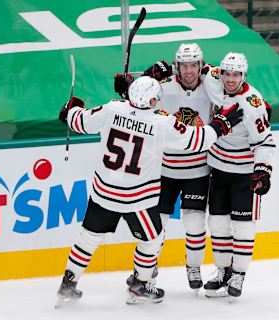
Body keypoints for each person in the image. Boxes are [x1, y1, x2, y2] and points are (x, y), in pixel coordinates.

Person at [56, 76, 243, 305]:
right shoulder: (161, 124)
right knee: (153, 239)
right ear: (153, 100)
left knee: (88, 239)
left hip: (103, 193)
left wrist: (71, 108)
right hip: (137, 199)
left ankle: (68, 282)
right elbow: (197, 140)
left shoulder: (112, 109)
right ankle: (141, 284)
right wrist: (222, 123)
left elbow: (78, 121)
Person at [116, 43, 213, 294]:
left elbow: (237, 88)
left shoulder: (213, 86)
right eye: (184, 65)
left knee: (194, 224)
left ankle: (193, 267)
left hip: (197, 170)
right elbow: (137, 102)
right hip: (164, 170)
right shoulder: (163, 87)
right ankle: (146, 271)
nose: (189, 71)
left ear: (200, 65)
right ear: (176, 66)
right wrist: (126, 89)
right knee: (155, 225)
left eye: (193, 65)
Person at [201, 52, 276, 299]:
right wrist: (165, 69)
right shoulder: (214, 78)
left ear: (243, 75)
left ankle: (239, 275)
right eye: (227, 73)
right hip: (218, 169)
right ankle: (223, 271)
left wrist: (262, 171)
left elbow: (265, 141)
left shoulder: (252, 104)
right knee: (217, 224)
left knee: (243, 228)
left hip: (243, 174)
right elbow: (198, 69)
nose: (230, 79)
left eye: (236, 74)